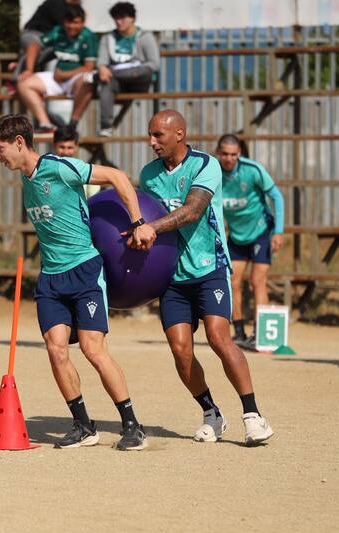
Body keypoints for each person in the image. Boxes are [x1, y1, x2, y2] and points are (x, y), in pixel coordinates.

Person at [0, 114, 155, 450]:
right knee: (56, 349)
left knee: (93, 349)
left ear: (20, 142)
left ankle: (132, 425)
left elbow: (117, 176)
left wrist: (137, 221)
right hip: (51, 277)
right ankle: (83, 426)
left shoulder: (59, 167)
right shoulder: (27, 178)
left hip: (84, 271)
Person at [133, 110, 274, 445]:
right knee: (180, 349)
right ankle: (211, 413)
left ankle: (253, 415)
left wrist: (150, 227)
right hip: (171, 275)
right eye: (150, 135)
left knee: (218, 337)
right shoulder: (149, 174)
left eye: (159, 135)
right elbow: (143, 215)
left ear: (179, 133)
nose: (152, 142)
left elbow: (193, 210)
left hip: (209, 267)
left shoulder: (205, 164)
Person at [216, 134, 285, 348]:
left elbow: (277, 197)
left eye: (233, 154)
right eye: (225, 154)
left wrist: (279, 232)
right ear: (218, 153)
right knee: (233, 281)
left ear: (240, 154)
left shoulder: (252, 170)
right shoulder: (212, 173)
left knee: (257, 281)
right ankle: (238, 333)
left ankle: (261, 333)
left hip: (260, 231)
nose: (229, 158)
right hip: (236, 235)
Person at [69, 2, 159, 136]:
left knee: (139, 71)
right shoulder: (108, 37)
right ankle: (106, 126)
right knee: (106, 81)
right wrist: (102, 69)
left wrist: (105, 71)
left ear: (132, 18)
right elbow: (102, 62)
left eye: (122, 18)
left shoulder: (145, 36)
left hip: (138, 78)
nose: (119, 22)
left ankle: (97, 76)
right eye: (116, 18)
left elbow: (154, 64)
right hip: (116, 80)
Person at [17, 5, 98, 133]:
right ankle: (46, 124)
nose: (71, 26)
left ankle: (72, 124)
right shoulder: (58, 31)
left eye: (76, 22)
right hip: (57, 77)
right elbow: (34, 45)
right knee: (24, 83)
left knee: (88, 81)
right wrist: (28, 69)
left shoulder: (88, 36)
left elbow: (89, 67)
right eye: (68, 22)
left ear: (82, 22)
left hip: (75, 79)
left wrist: (64, 75)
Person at [10, 0, 82, 84]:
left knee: (45, 53)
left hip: (49, 40)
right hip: (34, 33)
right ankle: (17, 79)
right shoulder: (56, 3)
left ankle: (18, 68)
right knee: (34, 48)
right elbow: (65, 27)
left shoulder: (75, 9)